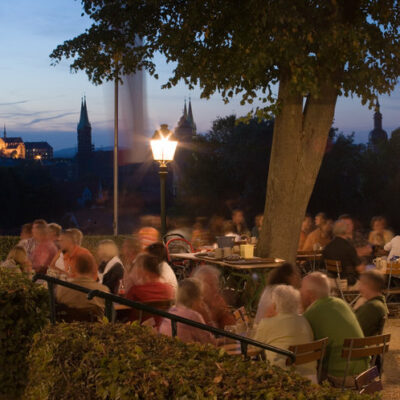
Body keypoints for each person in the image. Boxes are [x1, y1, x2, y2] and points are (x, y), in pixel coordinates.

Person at [301, 272, 368, 386]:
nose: (299, 294)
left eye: (301, 290)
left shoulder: (311, 314)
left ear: (309, 295)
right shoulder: (341, 303)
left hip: (341, 376)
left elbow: (308, 349)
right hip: (365, 372)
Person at [253, 285, 317, 383]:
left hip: (283, 380)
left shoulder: (267, 323)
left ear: (274, 304)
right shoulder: (303, 320)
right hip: (311, 379)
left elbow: (253, 348)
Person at [159, 278, 216, 345]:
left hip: (168, 350)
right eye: (201, 298)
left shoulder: (171, 310)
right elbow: (211, 343)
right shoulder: (193, 316)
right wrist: (208, 318)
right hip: (182, 353)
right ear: (196, 299)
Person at [322, 220, 364, 287]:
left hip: (332, 281)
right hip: (348, 282)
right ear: (346, 230)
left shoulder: (327, 247)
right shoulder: (348, 247)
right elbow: (360, 268)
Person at [191, 265, 235, 329]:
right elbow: (204, 333)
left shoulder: (217, 299)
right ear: (199, 286)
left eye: (217, 284)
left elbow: (230, 326)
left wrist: (225, 314)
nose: (216, 289)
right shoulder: (194, 305)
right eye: (211, 285)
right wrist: (214, 314)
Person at [355, 270, 388, 337]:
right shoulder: (379, 303)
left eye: (361, 284)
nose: (359, 288)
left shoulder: (372, 307)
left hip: (354, 345)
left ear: (369, 285)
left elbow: (352, 328)